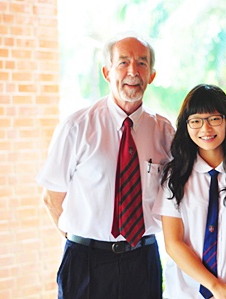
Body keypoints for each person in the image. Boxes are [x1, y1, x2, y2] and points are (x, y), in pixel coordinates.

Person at [36, 32, 174, 298]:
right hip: (85, 262)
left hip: (142, 260)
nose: (133, 70)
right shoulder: (76, 127)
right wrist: (80, 240)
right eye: (123, 62)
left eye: (142, 63)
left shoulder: (164, 131)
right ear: (107, 72)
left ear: (152, 75)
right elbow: (51, 198)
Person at [153, 84, 226, 299]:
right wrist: (216, 288)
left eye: (214, 119)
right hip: (186, 293)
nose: (205, 129)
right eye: (196, 121)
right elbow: (173, 243)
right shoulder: (174, 177)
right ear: (186, 126)